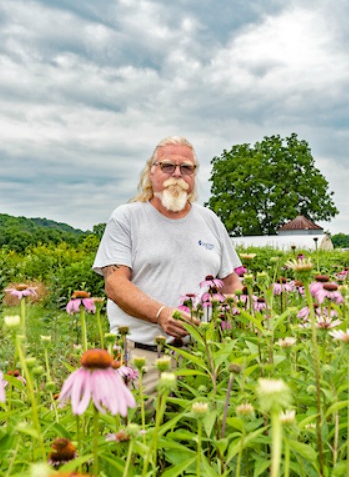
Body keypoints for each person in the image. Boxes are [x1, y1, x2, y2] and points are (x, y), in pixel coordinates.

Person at [92, 136, 243, 386]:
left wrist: (239, 318)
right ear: (151, 172)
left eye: (186, 168)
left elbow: (231, 283)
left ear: (194, 176)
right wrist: (160, 313)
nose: (177, 174)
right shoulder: (127, 218)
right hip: (141, 356)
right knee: (141, 423)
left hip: (203, 358)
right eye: (167, 166)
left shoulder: (210, 220)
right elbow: (115, 284)